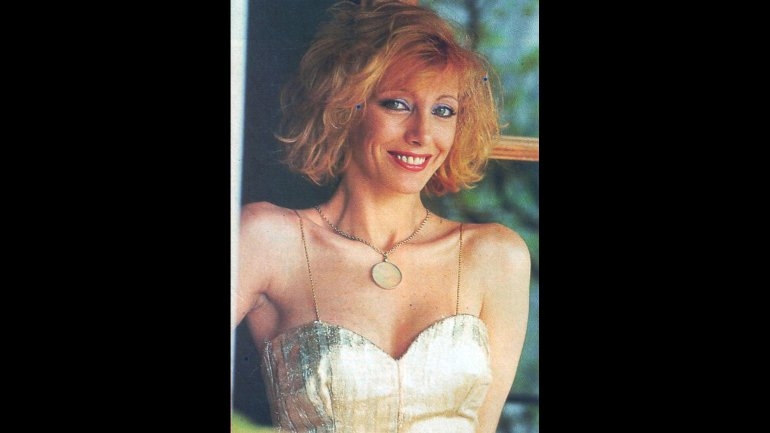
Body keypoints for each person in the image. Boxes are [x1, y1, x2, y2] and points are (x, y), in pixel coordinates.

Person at [234, 1, 531, 431]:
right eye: (397, 104)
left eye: (443, 110)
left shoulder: (495, 256)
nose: (422, 134)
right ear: (344, 108)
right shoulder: (267, 238)